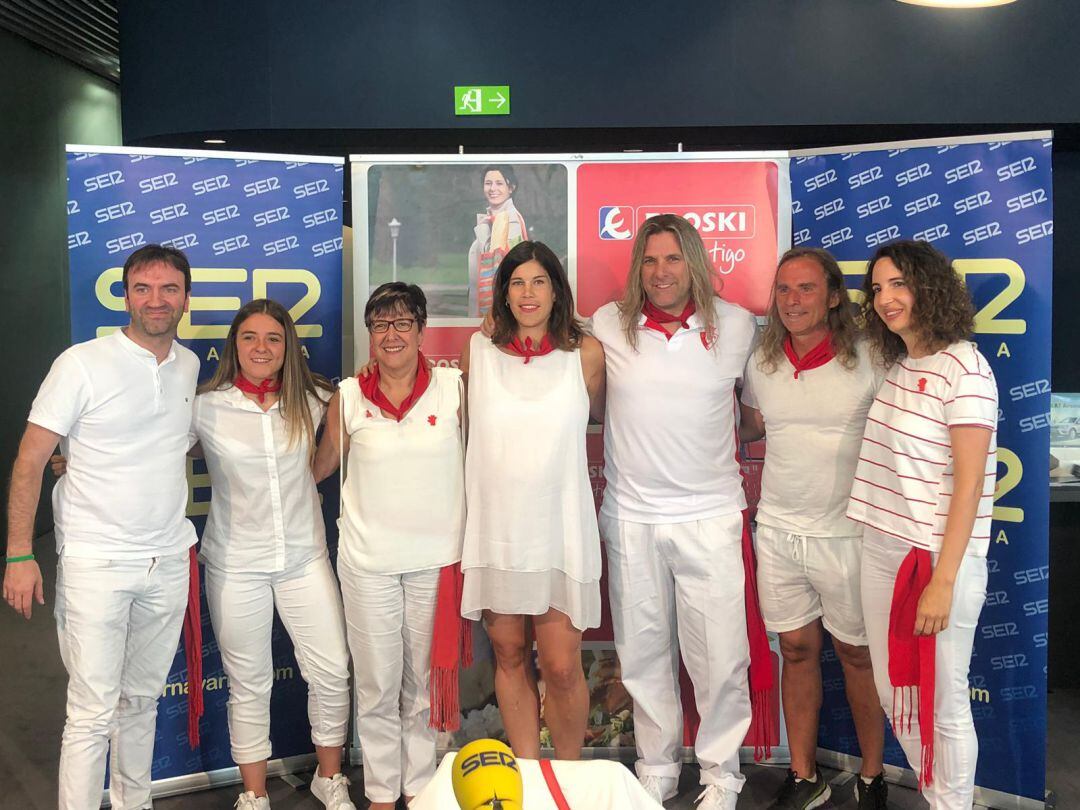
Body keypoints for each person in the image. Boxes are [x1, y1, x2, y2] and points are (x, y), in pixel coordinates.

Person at [3, 245, 200, 810]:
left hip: (166, 562)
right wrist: (19, 552)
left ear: (185, 297)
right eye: (143, 288)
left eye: (168, 289)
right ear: (126, 296)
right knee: (90, 713)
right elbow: (30, 459)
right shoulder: (81, 363)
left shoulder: (186, 366)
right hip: (96, 564)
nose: (156, 300)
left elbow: (165, 444)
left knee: (140, 702)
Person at [590, 214, 770, 810]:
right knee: (642, 656)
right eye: (649, 260)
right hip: (632, 517)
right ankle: (657, 770)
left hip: (711, 515)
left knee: (720, 657)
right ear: (637, 267)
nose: (660, 272)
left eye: (672, 259)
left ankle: (722, 776)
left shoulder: (738, 326)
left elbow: (757, 414)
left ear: (693, 261)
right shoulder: (608, 324)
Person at [847, 240, 997, 809]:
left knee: (943, 699)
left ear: (929, 288)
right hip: (883, 551)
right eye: (879, 288)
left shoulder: (967, 367)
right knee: (897, 694)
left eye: (899, 285)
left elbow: (970, 485)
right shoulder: (902, 365)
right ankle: (940, 796)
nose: (886, 299)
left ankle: (951, 804)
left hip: (933, 562)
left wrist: (943, 580)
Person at [739, 247, 889, 810]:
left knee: (857, 656)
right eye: (782, 290)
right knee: (797, 651)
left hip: (850, 535)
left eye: (805, 289)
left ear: (833, 296)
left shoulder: (873, 356)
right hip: (777, 530)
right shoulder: (763, 361)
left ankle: (871, 778)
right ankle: (804, 777)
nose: (792, 301)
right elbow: (753, 425)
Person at [192, 299, 354, 810]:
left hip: (304, 558)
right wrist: (81, 459)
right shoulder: (204, 406)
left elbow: (366, 422)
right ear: (233, 346)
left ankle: (330, 780)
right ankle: (255, 794)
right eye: (250, 338)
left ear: (289, 349)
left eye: (273, 339)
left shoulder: (318, 398)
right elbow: (147, 450)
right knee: (249, 683)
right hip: (234, 565)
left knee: (332, 670)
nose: (261, 348)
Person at [314, 282, 469, 810]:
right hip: (368, 565)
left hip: (435, 561)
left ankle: (420, 788)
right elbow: (317, 467)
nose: (392, 334)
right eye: (381, 325)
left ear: (423, 330)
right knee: (378, 686)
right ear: (369, 335)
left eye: (403, 323)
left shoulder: (454, 389)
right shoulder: (348, 396)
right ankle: (381, 793)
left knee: (422, 685)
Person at [460, 241, 606, 761]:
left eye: (539, 282)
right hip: (499, 530)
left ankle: (566, 775)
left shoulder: (584, 354)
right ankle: (525, 771)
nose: (528, 293)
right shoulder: (477, 352)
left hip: (560, 530)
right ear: (502, 293)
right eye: (517, 282)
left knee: (563, 666)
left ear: (556, 290)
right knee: (508, 652)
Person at [467, 165, 528, 317]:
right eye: (488, 183)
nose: (492, 188)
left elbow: (504, 267)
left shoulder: (510, 220)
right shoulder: (492, 219)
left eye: (499, 183)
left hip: (497, 314)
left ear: (511, 187)